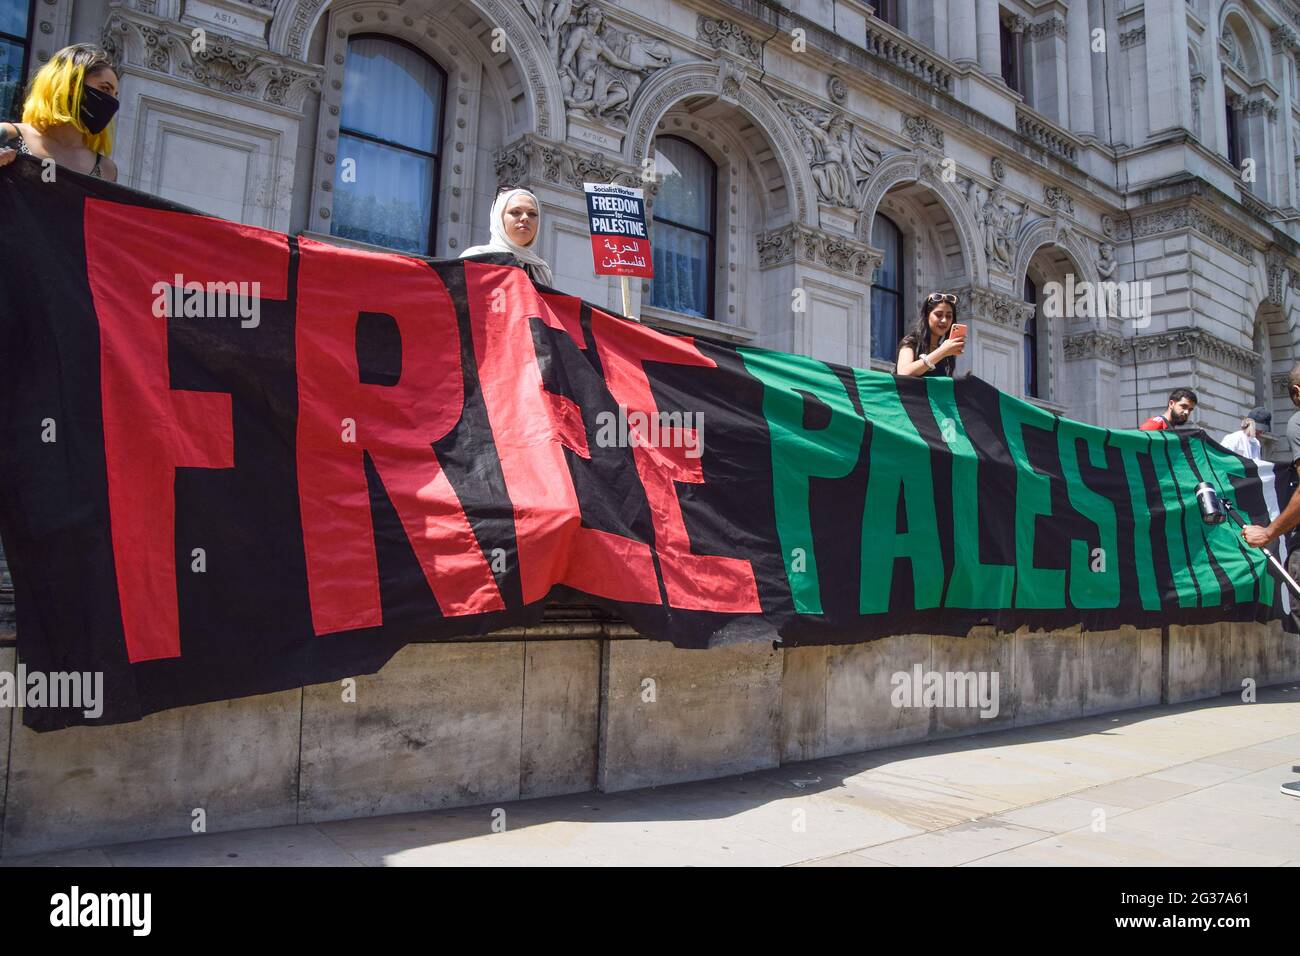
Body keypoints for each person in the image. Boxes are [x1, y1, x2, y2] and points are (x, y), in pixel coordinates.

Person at [0, 43, 119, 181]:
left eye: (116, 95)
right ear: (72, 85)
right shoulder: (9, 135)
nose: (113, 102)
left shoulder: (106, 169)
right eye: (105, 89)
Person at [460, 187, 553, 286]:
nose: (525, 218)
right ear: (499, 218)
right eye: (515, 212)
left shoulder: (542, 271)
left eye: (532, 214)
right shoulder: (475, 258)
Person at [896, 292, 965, 377]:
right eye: (939, 315)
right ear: (926, 316)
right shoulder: (911, 342)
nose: (944, 320)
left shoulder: (947, 352)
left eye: (948, 316)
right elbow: (904, 373)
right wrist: (942, 351)